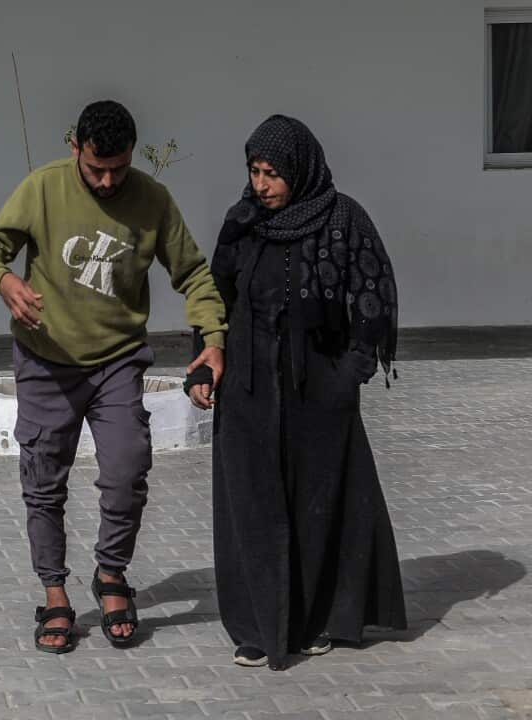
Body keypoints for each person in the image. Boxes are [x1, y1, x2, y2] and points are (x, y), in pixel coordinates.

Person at [0, 100, 227, 653]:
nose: (107, 181)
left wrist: (212, 339)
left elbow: (194, 274)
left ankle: (111, 575)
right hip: (44, 362)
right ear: (74, 150)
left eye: (118, 169)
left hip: (117, 361)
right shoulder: (42, 188)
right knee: (43, 482)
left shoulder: (153, 201)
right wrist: (3, 281)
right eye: (95, 169)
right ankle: (55, 593)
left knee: (128, 469)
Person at [186, 115, 406, 669]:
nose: (262, 185)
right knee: (251, 502)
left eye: (273, 173)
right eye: (255, 171)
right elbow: (214, 298)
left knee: (317, 503)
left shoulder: (343, 217)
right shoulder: (242, 222)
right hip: (249, 382)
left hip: (319, 384)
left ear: (300, 170)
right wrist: (207, 362)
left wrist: (352, 369)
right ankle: (257, 626)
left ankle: (314, 621)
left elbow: (374, 289)